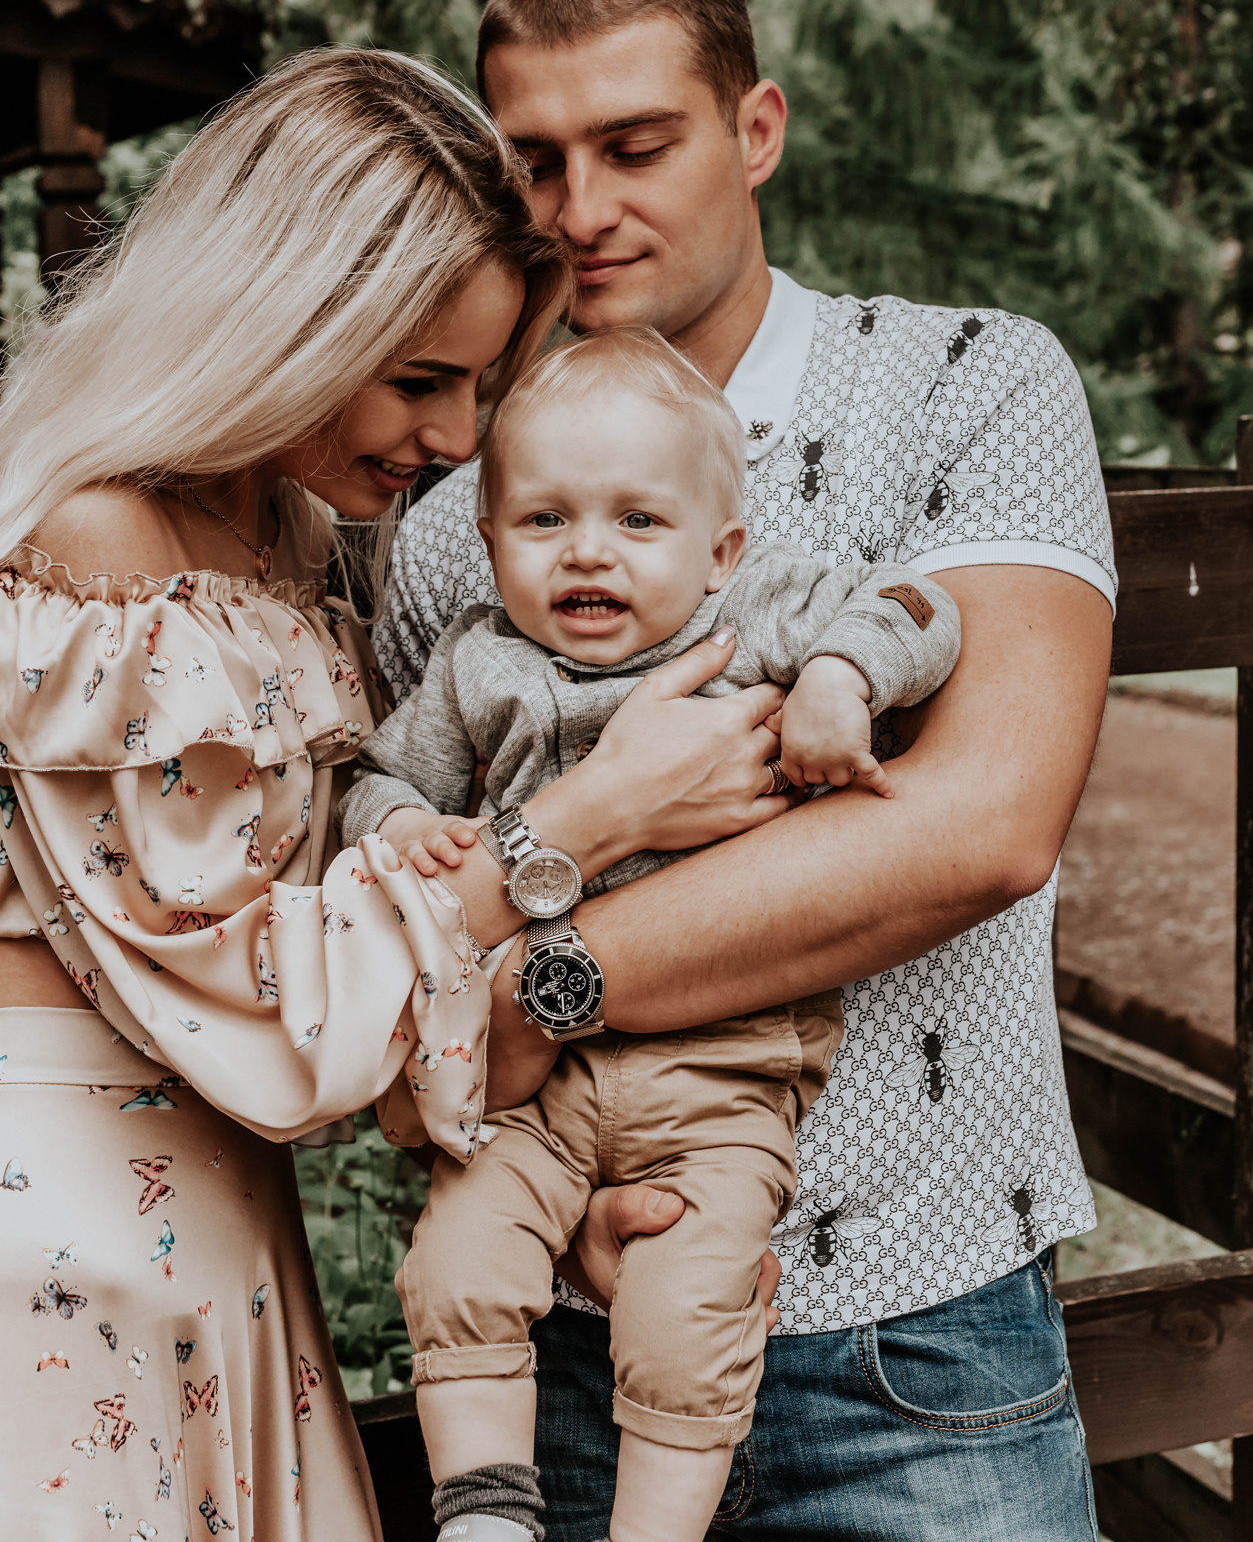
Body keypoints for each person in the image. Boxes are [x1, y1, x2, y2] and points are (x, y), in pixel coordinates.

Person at [372, 0, 1116, 1541]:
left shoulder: (969, 387)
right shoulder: (452, 526)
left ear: (753, 128)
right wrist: (540, 1172)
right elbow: (404, 913)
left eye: (635, 146)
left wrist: (540, 992)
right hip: (579, 1345)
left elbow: (979, 826)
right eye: (537, 162)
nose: (581, 211)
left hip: (926, 1348)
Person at [0, 47, 790, 1541]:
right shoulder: (98, 543)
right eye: (422, 378)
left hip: (217, 1223)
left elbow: (349, 980)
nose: (456, 437)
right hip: (64, 1238)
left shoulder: (285, 539)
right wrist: (586, 819)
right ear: (281, 322)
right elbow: (255, 995)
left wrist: (562, 1190)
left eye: (484, 383)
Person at [339, 326, 960, 1542]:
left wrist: (841, 674)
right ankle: (482, 1511)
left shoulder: (758, 606)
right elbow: (374, 779)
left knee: (689, 1312)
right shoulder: (476, 665)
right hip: (530, 1084)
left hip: (721, 1075)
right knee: (456, 1267)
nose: (587, 552)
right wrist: (402, 819)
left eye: (636, 521)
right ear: (487, 538)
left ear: (718, 544)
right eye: (544, 520)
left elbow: (917, 603)